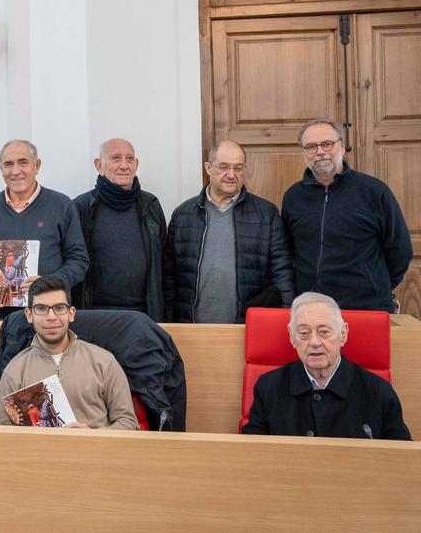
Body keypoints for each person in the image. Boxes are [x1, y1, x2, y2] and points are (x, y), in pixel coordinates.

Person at [281, 119, 411, 312]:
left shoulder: (374, 191)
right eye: (311, 146)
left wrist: (375, 285)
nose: (320, 151)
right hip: (312, 311)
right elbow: (288, 252)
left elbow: (399, 250)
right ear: (303, 153)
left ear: (341, 146)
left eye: (327, 144)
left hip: (367, 307)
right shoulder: (293, 197)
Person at [243, 292, 410, 439]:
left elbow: (401, 459)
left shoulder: (378, 391)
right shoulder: (269, 388)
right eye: (304, 333)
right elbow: (250, 453)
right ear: (292, 337)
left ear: (343, 334)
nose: (315, 342)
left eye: (324, 332)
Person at [163, 140, 293, 323]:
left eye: (238, 168)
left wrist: (283, 320)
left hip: (247, 326)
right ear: (208, 168)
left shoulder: (267, 214)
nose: (231, 174)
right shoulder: (183, 214)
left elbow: (282, 273)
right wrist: (168, 324)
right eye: (223, 167)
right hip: (190, 326)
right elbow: (168, 276)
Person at [0, 140, 89, 317]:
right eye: (8, 164)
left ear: (37, 166)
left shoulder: (61, 205)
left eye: (23, 162)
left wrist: (50, 283)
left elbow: (79, 260)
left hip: (48, 316)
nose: (15, 171)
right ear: (1, 169)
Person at [0, 276, 137, 429]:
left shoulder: (104, 361)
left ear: (71, 313)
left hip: (95, 451)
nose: (51, 317)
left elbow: (128, 422)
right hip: (38, 452)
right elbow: (1, 433)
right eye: (41, 308)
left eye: (59, 307)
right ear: (29, 315)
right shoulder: (14, 371)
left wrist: (92, 436)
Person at [72, 138, 165, 319]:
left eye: (129, 159)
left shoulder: (151, 205)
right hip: (94, 316)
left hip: (143, 317)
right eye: (115, 158)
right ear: (99, 165)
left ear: (136, 164)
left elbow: (163, 261)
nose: (124, 165)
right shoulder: (81, 207)